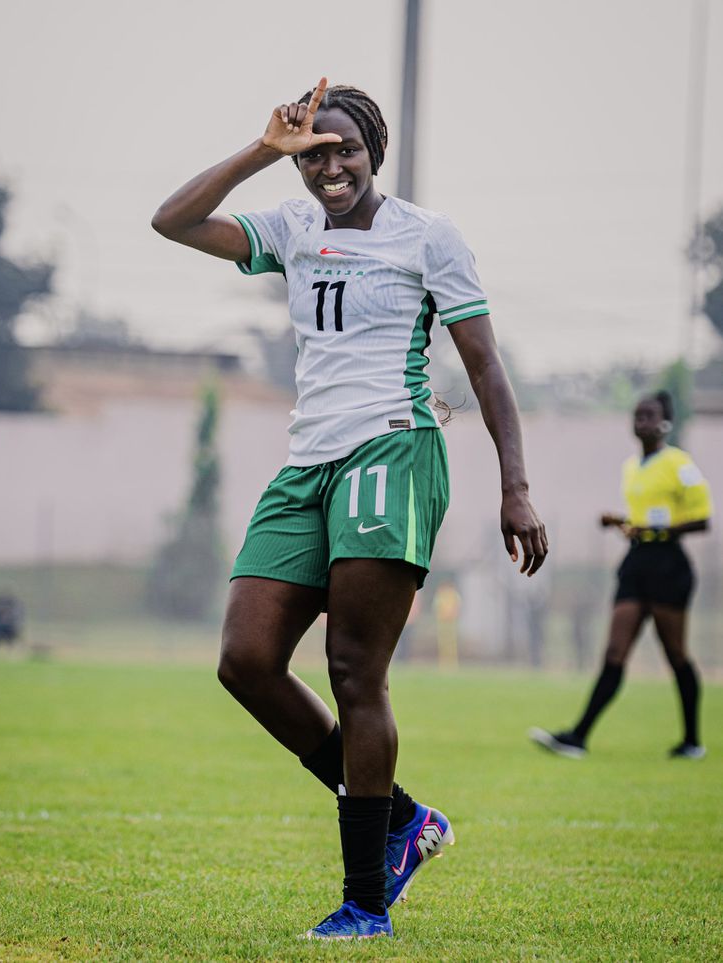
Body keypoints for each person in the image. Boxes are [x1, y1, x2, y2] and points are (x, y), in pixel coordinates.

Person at [153, 77, 547, 941]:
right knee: (245, 660)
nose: (330, 166)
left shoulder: (427, 236)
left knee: (352, 670)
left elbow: (486, 368)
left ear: (375, 153)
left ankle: (366, 902)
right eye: (314, 152)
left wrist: (515, 485)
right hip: (307, 463)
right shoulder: (291, 229)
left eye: (346, 151)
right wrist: (264, 148)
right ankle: (402, 816)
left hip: (392, 449)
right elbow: (172, 221)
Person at [530, 390, 712, 761]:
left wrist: (655, 529)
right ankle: (577, 737)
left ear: (665, 422)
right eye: (637, 415)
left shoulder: (680, 464)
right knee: (615, 650)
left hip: (668, 565)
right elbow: (643, 521)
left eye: (649, 415)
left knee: (675, 653)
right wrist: (621, 522)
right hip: (637, 563)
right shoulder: (632, 467)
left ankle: (692, 741)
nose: (641, 421)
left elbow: (702, 519)